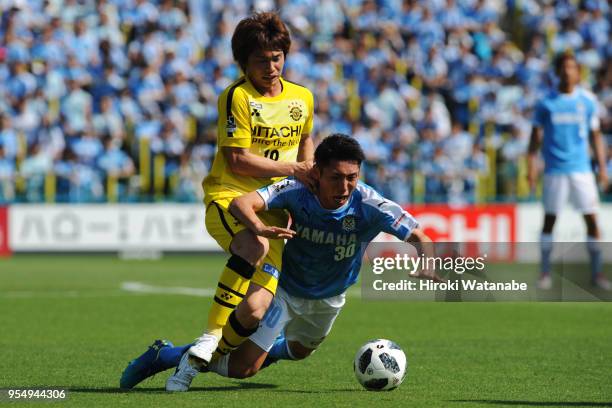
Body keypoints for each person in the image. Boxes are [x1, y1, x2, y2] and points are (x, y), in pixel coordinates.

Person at [120, 134, 442, 390]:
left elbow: (419, 236)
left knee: (301, 351)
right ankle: (166, 355)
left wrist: (427, 262)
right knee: (242, 369)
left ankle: (250, 348)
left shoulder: (371, 204)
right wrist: (258, 227)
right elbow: (242, 203)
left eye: (352, 178)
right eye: (335, 177)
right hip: (285, 290)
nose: (344, 187)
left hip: (331, 296)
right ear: (316, 171)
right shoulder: (296, 189)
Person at [164, 11, 316, 390]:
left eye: (277, 57)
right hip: (230, 195)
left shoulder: (303, 97)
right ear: (244, 62)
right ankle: (210, 334)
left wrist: (308, 168)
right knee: (254, 243)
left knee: (254, 309)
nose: (271, 67)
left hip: (277, 209)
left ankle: (183, 361)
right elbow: (238, 159)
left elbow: (306, 137)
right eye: (261, 60)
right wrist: (293, 170)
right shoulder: (237, 96)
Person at [527, 52, 609, 290]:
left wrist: (602, 168)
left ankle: (597, 273)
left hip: (582, 170)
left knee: (592, 220)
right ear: (557, 71)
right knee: (549, 220)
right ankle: (544, 272)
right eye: (563, 67)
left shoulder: (588, 101)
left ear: (578, 72)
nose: (567, 71)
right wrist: (531, 167)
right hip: (554, 170)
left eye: (572, 67)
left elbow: (596, 137)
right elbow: (534, 140)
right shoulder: (546, 103)